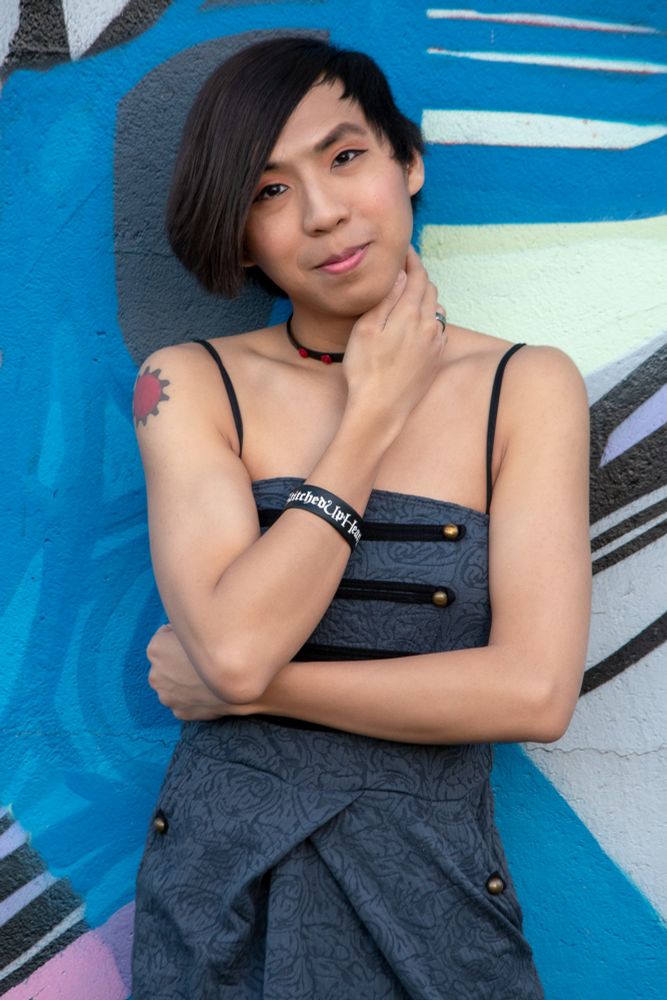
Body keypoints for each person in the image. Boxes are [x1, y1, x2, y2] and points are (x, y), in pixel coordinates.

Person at [130, 35, 591, 999]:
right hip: (223, 892)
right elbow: (238, 650)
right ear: (241, 234)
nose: (322, 211)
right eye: (269, 190)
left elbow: (533, 693)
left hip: (433, 889)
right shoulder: (188, 383)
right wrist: (371, 415)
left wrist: (248, 694)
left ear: (407, 161)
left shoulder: (526, 386)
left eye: (344, 157)